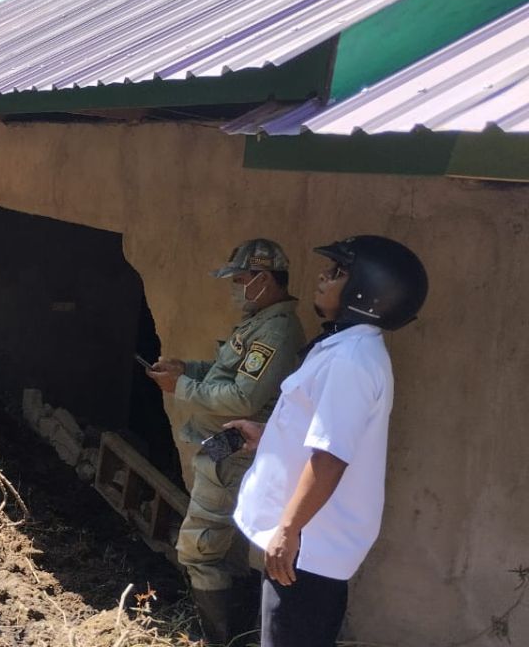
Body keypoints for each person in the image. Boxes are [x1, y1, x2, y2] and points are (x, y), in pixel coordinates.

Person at [228, 235, 428, 647]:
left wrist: (288, 529)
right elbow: (322, 433)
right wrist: (269, 439)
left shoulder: (350, 361)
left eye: (338, 273)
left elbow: (331, 457)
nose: (323, 276)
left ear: (366, 291)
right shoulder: (344, 348)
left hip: (308, 547)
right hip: (307, 542)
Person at [146, 239, 306, 645]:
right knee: (226, 550)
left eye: (239, 279)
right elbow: (228, 374)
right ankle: (239, 633)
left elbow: (243, 398)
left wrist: (179, 386)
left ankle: (216, 638)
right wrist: (188, 368)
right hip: (227, 447)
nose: (235, 288)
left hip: (233, 452)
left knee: (199, 550)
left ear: (263, 279)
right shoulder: (259, 321)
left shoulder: (276, 329)